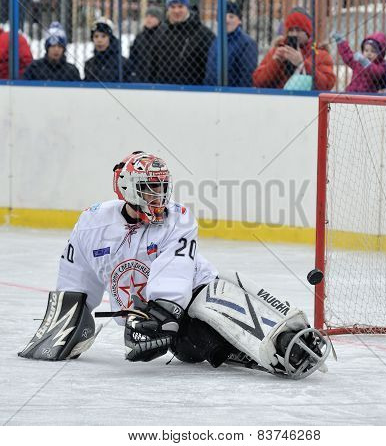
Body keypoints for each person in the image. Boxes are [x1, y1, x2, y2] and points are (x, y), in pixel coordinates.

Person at [18, 151, 331, 380]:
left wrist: (162, 315)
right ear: (126, 187)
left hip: (193, 294)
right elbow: (76, 280)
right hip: (163, 329)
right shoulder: (92, 222)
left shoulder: (177, 218)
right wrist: (67, 322)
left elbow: (175, 272)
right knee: (196, 344)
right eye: (148, 188)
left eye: (161, 187)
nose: (158, 196)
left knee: (216, 303)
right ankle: (239, 349)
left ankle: (285, 337)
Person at [252, 11, 335, 90]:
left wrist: (302, 64)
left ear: (307, 33)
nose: (294, 34)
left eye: (298, 30)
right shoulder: (277, 50)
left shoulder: (320, 54)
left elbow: (327, 84)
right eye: (291, 30)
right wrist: (275, 62)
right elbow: (258, 82)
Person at [148, 0, 215, 85]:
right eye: (173, 7)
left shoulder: (204, 34)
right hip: (163, 91)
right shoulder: (160, 32)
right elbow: (153, 66)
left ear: (187, 7)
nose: (176, 11)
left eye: (180, 6)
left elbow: (210, 69)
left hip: (194, 91)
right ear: (168, 8)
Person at [203, 2, 258, 87]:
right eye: (223, 16)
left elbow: (246, 76)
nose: (226, 20)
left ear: (239, 20)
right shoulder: (216, 41)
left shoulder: (247, 43)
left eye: (231, 16)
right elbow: (209, 72)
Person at [84, 17, 133, 82]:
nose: (99, 40)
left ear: (110, 38)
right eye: (96, 36)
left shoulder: (124, 64)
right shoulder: (89, 64)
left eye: (103, 36)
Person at [129, 6, 164, 82]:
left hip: (159, 77)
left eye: (152, 17)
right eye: (147, 16)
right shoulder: (140, 37)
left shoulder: (164, 35)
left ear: (159, 19)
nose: (148, 19)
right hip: (141, 77)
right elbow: (133, 56)